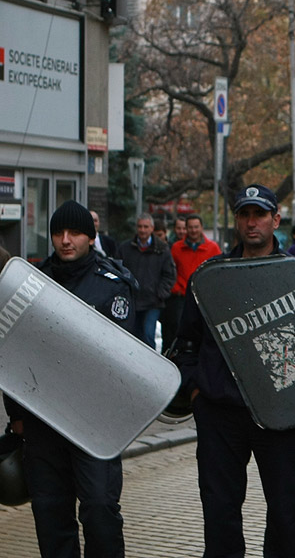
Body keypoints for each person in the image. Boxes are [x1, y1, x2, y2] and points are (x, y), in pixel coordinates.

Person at [177, 184, 295, 558]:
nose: (252, 223)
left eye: (260, 214)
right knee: (219, 514)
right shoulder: (210, 278)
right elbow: (186, 342)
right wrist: (196, 389)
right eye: (245, 215)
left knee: (285, 514)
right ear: (236, 220)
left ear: (275, 219)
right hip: (219, 414)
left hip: (280, 415)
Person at [3, 200, 136, 558]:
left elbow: (125, 359)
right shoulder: (32, 283)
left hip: (94, 423)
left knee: (99, 508)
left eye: (75, 233)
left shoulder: (111, 286)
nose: (65, 240)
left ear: (90, 238)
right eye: (58, 233)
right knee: (49, 512)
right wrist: (16, 414)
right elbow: (14, 350)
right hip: (43, 421)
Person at [116, 213, 176, 349]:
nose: (142, 230)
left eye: (146, 227)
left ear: (152, 228)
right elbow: (118, 270)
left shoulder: (162, 249)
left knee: (148, 335)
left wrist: (160, 293)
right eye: (140, 226)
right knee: (133, 336)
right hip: (132, 301)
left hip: (153, 302)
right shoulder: (125, 248)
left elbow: (170, 275)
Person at [163, 214, 219, 351]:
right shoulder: (176, 248)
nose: (193, 230)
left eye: (196, 227)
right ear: (186, 228)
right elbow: (169, 271)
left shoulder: (213, 248)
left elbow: (217, 273)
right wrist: (175, 288)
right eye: (190, 227)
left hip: (204, 298)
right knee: (178, 330)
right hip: (181, 297)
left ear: (201, 228)